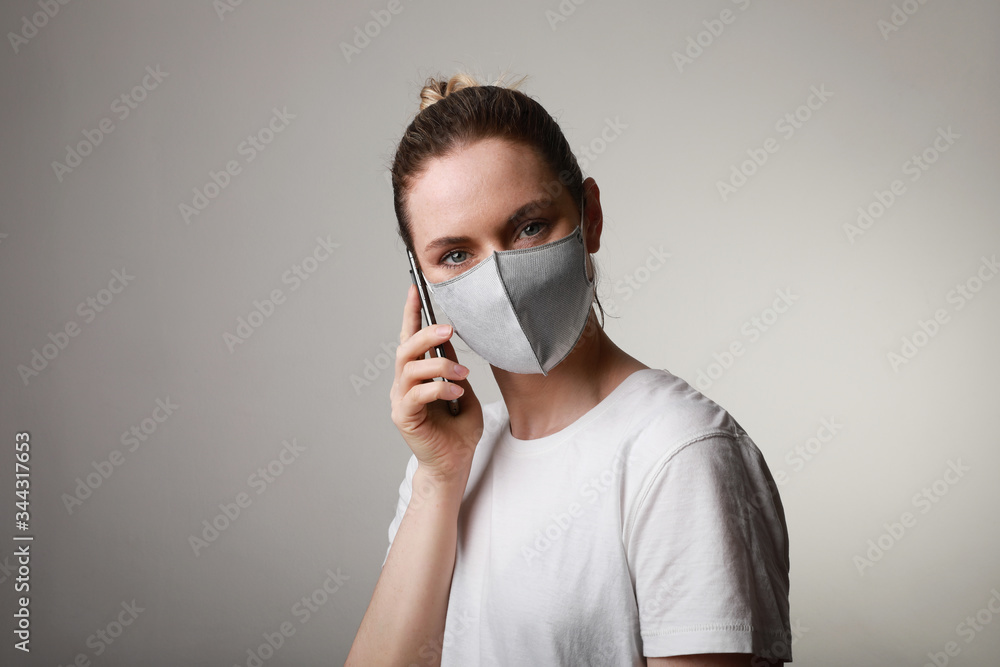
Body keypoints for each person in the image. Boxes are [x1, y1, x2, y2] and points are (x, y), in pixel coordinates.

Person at [346, 72, 792, 667]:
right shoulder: (446, 463)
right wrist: (440, 476)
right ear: (422, 284)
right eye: (455, 254)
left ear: (591, 217)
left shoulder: (680, 453)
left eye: (529, 227)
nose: (499, 278)